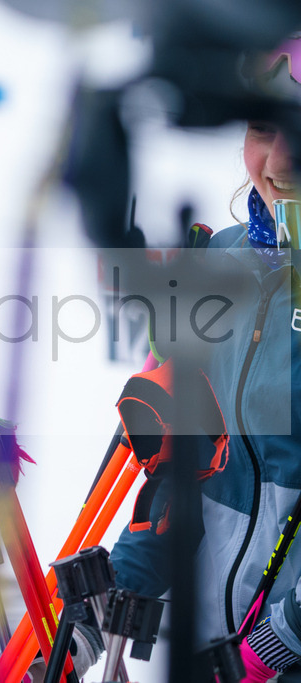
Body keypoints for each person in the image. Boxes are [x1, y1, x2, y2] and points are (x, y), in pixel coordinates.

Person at [110, 34, 301, 682]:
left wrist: (272, 645)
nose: (276, 161)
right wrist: (116, 593)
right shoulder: (219, 260)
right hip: (212, 649)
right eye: (260, 127)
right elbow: (184, 465)